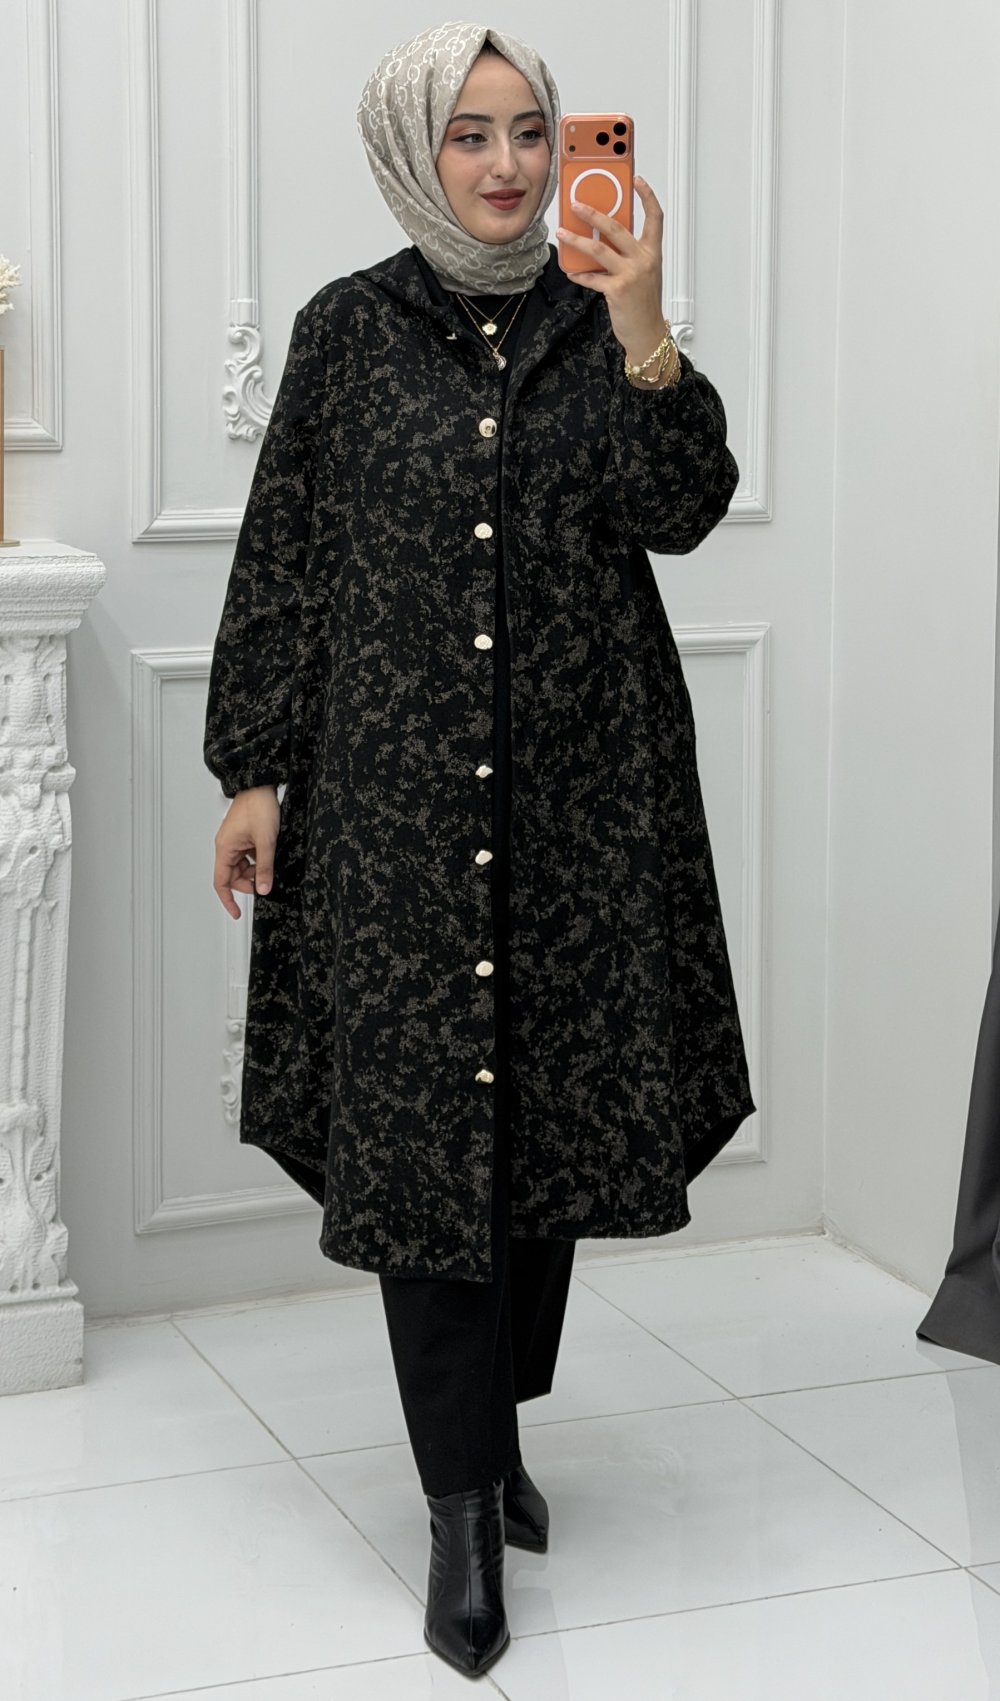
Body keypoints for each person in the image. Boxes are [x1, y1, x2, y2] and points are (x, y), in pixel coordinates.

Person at [204, 19, 756, 1681]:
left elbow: (681, 509)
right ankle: (458, 1504)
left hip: (584, 799)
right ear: (413, 149)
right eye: (472, 134)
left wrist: (645, 326)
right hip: (394, 808)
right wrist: (252, 770)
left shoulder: (602, 321)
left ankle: (496, 1428)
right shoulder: (345, 330)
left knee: (549, 1127)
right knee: (425, 1144)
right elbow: (285, 550)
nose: (510, 164)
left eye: (530, 131)